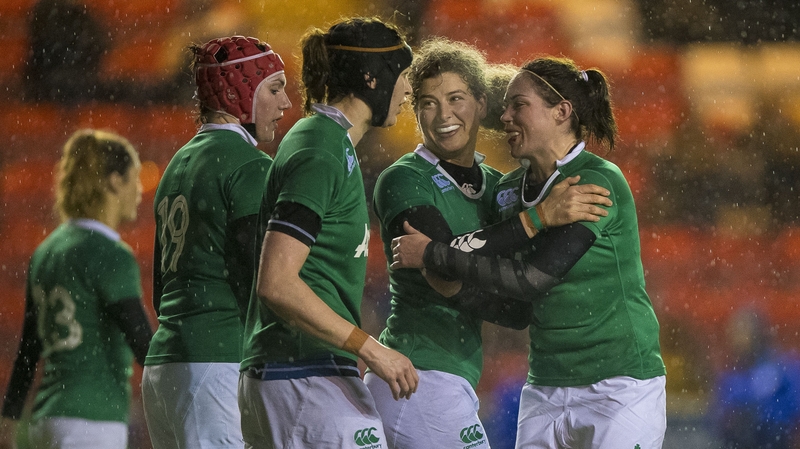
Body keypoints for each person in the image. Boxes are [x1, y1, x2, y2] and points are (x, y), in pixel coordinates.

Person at [391, 56, 667, 448]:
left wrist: (432, 255)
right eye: (504, 106)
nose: (505, 117)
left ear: (561, 112)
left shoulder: (594, 181)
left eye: (518, 105)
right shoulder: (506, 190)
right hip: (545, 386)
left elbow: (531, 280)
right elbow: (511, 305)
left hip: (619, 385)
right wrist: (455, 287)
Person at [237, 17, 418, 449]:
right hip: (301, 372)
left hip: (294, 371)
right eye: (404, 75)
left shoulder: (329, 143)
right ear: (372, 78)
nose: (408, 90)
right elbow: (277, 283)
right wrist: (371, 349)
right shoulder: (321, 149)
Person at [141, 36, 291, 449]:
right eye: (275, 88)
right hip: (218, 360)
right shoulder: (250, 164)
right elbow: (257, 278)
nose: (286, 104)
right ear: (236, 91)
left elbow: (160, 284)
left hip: (164, 363)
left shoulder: (177, 162)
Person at [0, 129, 152, 449]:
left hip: (47, 418)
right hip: (92, 421)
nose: (139, 191)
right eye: (134, 179)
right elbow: (143, 344)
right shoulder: (111, 254)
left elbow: (28, 349)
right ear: (114, 182)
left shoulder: (46, 251)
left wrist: (10, 416)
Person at [711, 306, 800, 449]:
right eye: (736, 333)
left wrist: (762, 417)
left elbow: (792, 410)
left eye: (744, 332)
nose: (739, 339)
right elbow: (720, 418)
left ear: (758, 334)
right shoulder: (729, 378)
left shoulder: (785, 369)